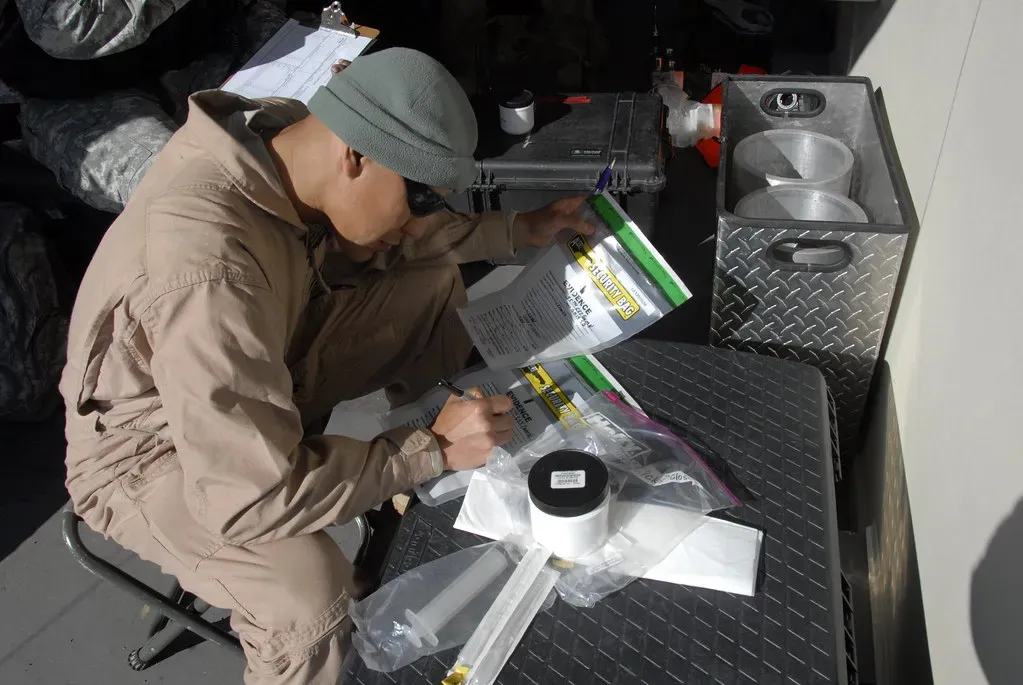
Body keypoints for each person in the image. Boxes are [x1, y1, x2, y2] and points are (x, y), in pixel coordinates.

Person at [61, 48, 592, 684]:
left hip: (264, 364)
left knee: (428, 284)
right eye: (419, 197)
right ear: (356, 156)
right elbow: (251, 495)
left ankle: (425, 506)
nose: (421, 220)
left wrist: (516, 230)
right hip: (152, 456)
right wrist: (425, 449)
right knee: (307, 595)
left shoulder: (286, 144)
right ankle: (427, 469)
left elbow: (392, 234)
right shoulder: (207, 267)